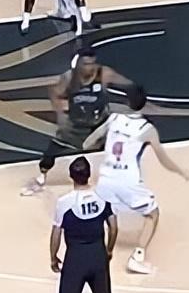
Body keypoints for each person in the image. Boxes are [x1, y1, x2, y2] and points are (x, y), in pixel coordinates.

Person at [83, 94, 189, 275]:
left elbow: (88, 143)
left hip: (106, 178)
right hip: (128, 181)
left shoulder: (114, 118)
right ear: (144, 106)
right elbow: (163, 159)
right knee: (152, 214)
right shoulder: (147, 129)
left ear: (127, 102)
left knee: (103, 215)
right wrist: (181, 171)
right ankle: (137, 258)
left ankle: (90, 252)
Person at [25, 45, 135, 195]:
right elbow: (54, 93)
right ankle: (41, 178)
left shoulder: (104, 74)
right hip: (76, 125)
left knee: (120, 146)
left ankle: (126, 177)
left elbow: (128, 84)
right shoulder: (68, 78)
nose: (89, 67)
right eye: (85, 64)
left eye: (92, 63)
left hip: (99, 125)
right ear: (78, 63)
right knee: (51, 152)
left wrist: (132, 98)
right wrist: (60, 115)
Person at [49, 156, 117, 293]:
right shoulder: (102, 197)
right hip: (98, 257)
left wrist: (53, 257)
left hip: (75, 260)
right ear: (89, 174)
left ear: (71, 176)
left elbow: (56, 233)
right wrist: (108, 250)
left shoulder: (64, 203)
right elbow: (113, 227)